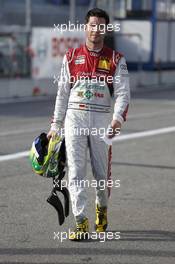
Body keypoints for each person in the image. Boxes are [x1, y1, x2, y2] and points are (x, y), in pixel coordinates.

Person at [47, 8, 130, 241]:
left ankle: (101, 213)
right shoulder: (71, 57)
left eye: (100, 26)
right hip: (75, 119)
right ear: (86, 27)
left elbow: (123, 93)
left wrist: (118, 119)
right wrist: (56, 125)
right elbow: (62, 94)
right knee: (75, 172)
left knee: (101, 174)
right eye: (92, 25)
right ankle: (81, 222)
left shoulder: (116, 59)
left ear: (106, 29)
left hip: (103, 121)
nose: (96, 29)